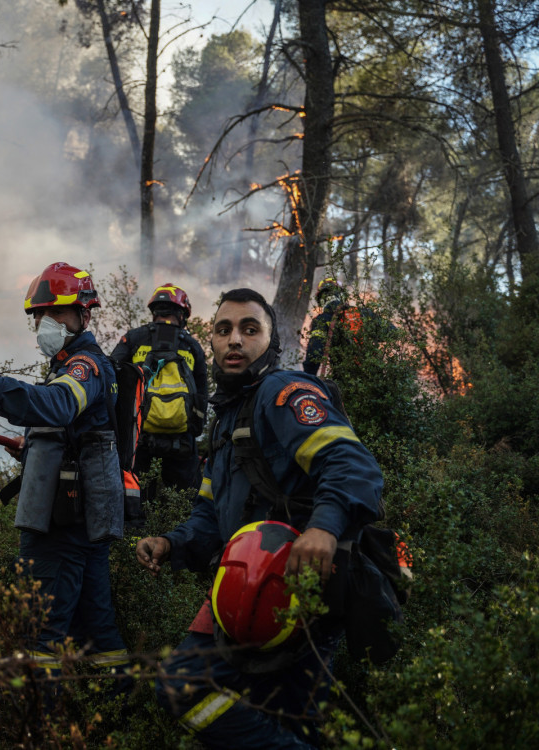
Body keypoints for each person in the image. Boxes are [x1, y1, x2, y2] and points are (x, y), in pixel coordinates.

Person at [135, 288, 384, 749]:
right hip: (246, 588)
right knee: (277, 717)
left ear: (271, 342)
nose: (235, 340)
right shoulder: (225, 418)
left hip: (298, 591)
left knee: (192, 687)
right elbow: (211, 513)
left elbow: (353, 465)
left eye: (250, 329)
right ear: (209, 342)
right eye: (224, 329)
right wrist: (173, 543)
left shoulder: (281, 394)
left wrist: (323, 528)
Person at [0, 261, 129, 683]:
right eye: (39, 314)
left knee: (40, 631)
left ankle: (39, 723)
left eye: (55, 312)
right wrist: (36, 444)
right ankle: (118, 708)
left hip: (64, 526)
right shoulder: (70, 365)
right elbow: (75, 428)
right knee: (97, 629)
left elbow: (56, 405)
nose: (44, 322)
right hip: (84, 519)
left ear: (83, 315)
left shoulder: (85, 366)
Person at [110, 284, 207, 507]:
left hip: (139, 436)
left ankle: (134, 539)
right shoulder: (192, 346)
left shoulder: (133, 339)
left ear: (155, 312)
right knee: (186, 502)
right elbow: (201, 392)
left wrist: (122, 426)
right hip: (182, 441)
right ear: (182, 314)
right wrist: (194, 431)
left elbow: (112, 374)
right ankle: (179, 538)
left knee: (136, 498)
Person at [303, 276, 384, 376]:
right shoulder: (364, 313)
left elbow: (314, 357)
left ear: (322, 300)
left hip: (345, 384)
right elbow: (393, 333)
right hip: (377, 378)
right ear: (342, 296)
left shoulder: (322, 321)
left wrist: (307, 381)